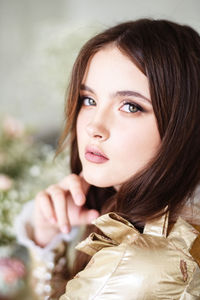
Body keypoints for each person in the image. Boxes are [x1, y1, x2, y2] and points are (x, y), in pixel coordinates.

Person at [16, 19, 200, 299]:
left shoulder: (141, 265)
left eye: (130, 106)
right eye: (89, 100)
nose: (94, 127)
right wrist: (47, 236)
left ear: (183, 126)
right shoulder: (151, 222)